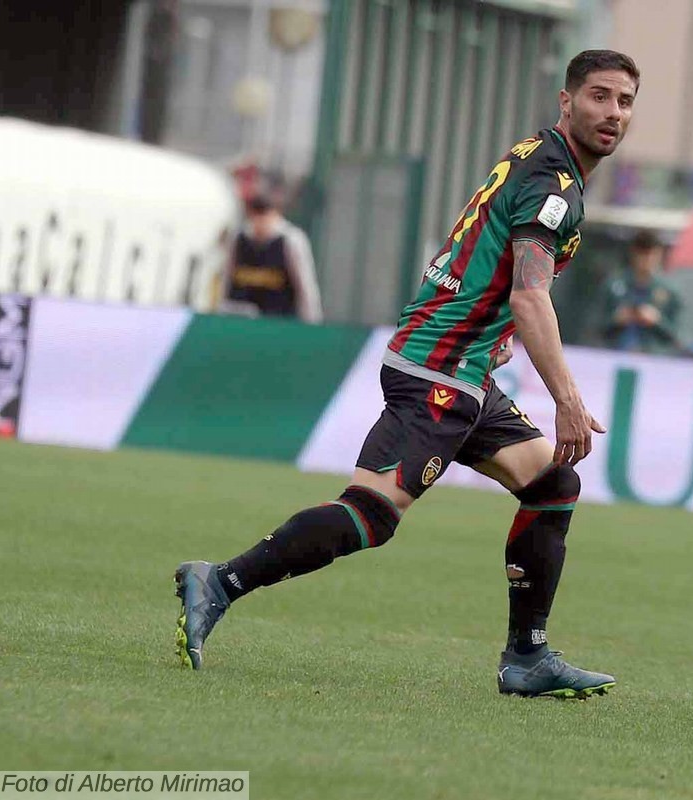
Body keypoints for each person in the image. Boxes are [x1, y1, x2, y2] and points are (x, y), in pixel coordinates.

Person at [174, 50, 640, 699]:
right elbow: (530, 297)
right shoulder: (553, 186)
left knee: (553, 482)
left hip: (461, 364)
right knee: (372, 515)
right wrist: (565, 396)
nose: (612, 112)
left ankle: (527, 658)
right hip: (439, 368)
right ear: (567, 101)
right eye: (598, 96)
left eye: (624, 101)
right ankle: (219, 581)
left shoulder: (541, 159)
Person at [221, 194, 323, 323]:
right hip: (241, 321)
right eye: (256, 215)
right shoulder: (239, 239)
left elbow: (305, 287)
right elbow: (226, 279)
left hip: (279, 323)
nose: (260, 222)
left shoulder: (291, 240)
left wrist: (312, 324)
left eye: (264, 215)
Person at [602, 229, 681, 353]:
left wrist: (657, 321)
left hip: (653, 359)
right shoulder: (614, 285)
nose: (646, 260)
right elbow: (594, 326)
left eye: (651, 254)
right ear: (633, 254)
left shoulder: (670, 292)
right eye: (642, 254)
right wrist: (616, 320)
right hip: (614, 354)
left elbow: (679, 336)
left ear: (659, 255)